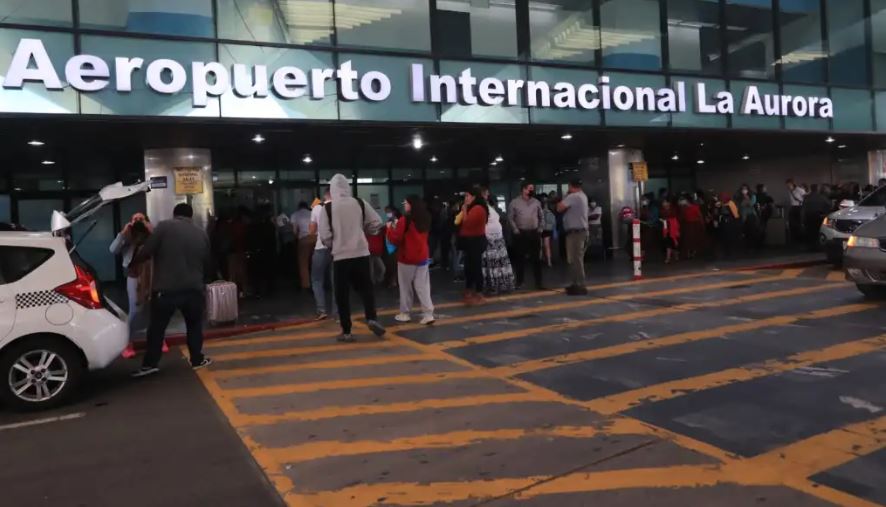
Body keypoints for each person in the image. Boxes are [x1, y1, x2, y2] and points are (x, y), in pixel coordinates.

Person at [131, 203, 212, 378]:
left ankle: (150, 364)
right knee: (194, 326)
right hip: (193, 289)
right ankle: (197, 359)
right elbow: (207, 261)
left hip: (166, 290)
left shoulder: (164, 227)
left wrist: (136, 259)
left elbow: (146, 252)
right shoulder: (201, 233)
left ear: (174, 214)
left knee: (157, 329)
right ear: (190, 216)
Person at [318, 174, 386, 342]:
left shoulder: (327, 208)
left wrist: (334, 245)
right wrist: (365, 230)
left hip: (340, 257)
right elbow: (377, 223)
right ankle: (371, 318)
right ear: (347, 188)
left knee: (342, 295)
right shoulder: (360, 203)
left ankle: (347, 331)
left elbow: (325, 236)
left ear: (332, 189)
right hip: (361, 254)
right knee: (366, 289)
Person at [110, 213, 164, 359]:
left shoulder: (152, 235)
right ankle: (127, 343)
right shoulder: (128, 236)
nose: (138, 222)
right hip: (135, 276)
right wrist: (123, 233)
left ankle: (158, 340)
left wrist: (151, 229)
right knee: (135, 310)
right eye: (135, 219)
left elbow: (163, 247)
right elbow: (113, 250)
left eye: (141, 219)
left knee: (156, 309)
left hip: (153, 275)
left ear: (147, 221)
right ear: (130, 222)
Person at [387, 195, 435, 325]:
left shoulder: (405, 220)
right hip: (423, 256)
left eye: (406, 203)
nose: (404, 205)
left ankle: (405, 313)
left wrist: (389, 229)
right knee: (423, 286)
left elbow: (395, 239)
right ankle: (428, 314)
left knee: (405, 287)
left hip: (407, 258)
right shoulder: (426, 218)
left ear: (411, 205)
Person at [507, 182, 544, 289]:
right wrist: (515, 229)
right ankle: (519, 282)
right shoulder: (514, 202)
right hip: (520, 233)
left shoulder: (537, 202)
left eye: (533, 188)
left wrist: (540, 228)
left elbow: (541, 216)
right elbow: (510, 218)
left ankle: (539, 283)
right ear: (523, 189)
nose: (532, 190)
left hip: (534, 232)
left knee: (536, 259)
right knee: (520, 259)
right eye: (530, 188)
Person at [480, 186, 515, 295]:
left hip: (497, 240)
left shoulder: (488, 206)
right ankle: (492, 285)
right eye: (486, 194)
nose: (487, 196)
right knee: (493, 264)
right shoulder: (481, 207)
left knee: (499, 264)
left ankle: (501, 284)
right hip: (490, 240)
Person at [556, 180, 590, 295]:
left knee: (576, 259)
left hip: (576, 234)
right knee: (575, 259)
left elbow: (559, 208)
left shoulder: (573, 196)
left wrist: (566, 195)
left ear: (570, 186)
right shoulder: (582, 195)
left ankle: (580, 285)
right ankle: (575, 283)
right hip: (579, 232)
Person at [458, 187, 489, 304]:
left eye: (467, 196)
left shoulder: (478, 209)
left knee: (475, 266)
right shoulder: (474, 208)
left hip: (475, 241)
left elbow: (467, 223)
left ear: (474, 197)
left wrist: (464, 209)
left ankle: (479, 293)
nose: (465, 199)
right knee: (469, 267)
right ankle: (469, 290)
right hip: (470, 241)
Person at [309, 192, 335, 320]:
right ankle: (338, 312)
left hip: (321, 248)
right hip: (337, 248)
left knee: (317, 279)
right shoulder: (340, 208)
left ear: (324, 196)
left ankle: (322, 310)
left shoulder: (317, 208)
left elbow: (312, 230)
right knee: (336, 280)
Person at [291, 201, 314, 291]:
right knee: (315, 262)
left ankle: (306, 284)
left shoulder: (295, 215)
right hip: (316, 238)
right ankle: (317, 281)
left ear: (299, 207)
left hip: (304, 239)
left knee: (303, 263)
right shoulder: (312, 213)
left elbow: (294, 230)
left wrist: (297, 238)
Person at [802, 184, 832, 250]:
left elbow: (803, 209)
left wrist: (802, 219)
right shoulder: (822, 197)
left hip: (808, 217)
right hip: (819, 217)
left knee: (810, 233)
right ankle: (818, 247)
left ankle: (811, 247)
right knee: (818, 232)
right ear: (818, 189)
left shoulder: (806, 198)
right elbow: (829, 206)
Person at [679, 195, 704, 259]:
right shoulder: (683, 208)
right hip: (687, 225)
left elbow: (700, 216)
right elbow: (682, 217)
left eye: (683, 201)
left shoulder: (695, 207)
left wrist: (702, 225)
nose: (682, 202)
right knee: (687, 239)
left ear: (687, 201)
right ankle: (689, 253)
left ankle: (694, 252)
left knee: (694, 239)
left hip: (695, 225)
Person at [786, 179, 806, 244]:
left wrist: (799, 200)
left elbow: (805, 199)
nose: (788, 186)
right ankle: (794, 239)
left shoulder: (800, 190)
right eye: (787, 185)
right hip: (793, 207)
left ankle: (800, 239)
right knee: (791, 223)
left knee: (799, 223)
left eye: (789, 185)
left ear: (792, 184)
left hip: (799, 207)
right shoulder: (790, 191)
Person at [661, 200, 681, 264]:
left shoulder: (673, 210)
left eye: (665, 203)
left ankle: (675, 255)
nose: (664, 205)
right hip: (667, 229)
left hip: (673, 228)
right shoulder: (663, 210)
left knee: (674, 244)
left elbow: (675, 220)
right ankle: (668, 258)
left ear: (669, 203)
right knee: (668, 244)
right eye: (663, 204)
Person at [542, 200, 556, 267]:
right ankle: (549, 262)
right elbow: (553, 223)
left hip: (541, 229)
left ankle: (542, 260)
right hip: (547, 230)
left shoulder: (539, 212)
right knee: (547, 246)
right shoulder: (551, 213)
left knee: (540, 246)